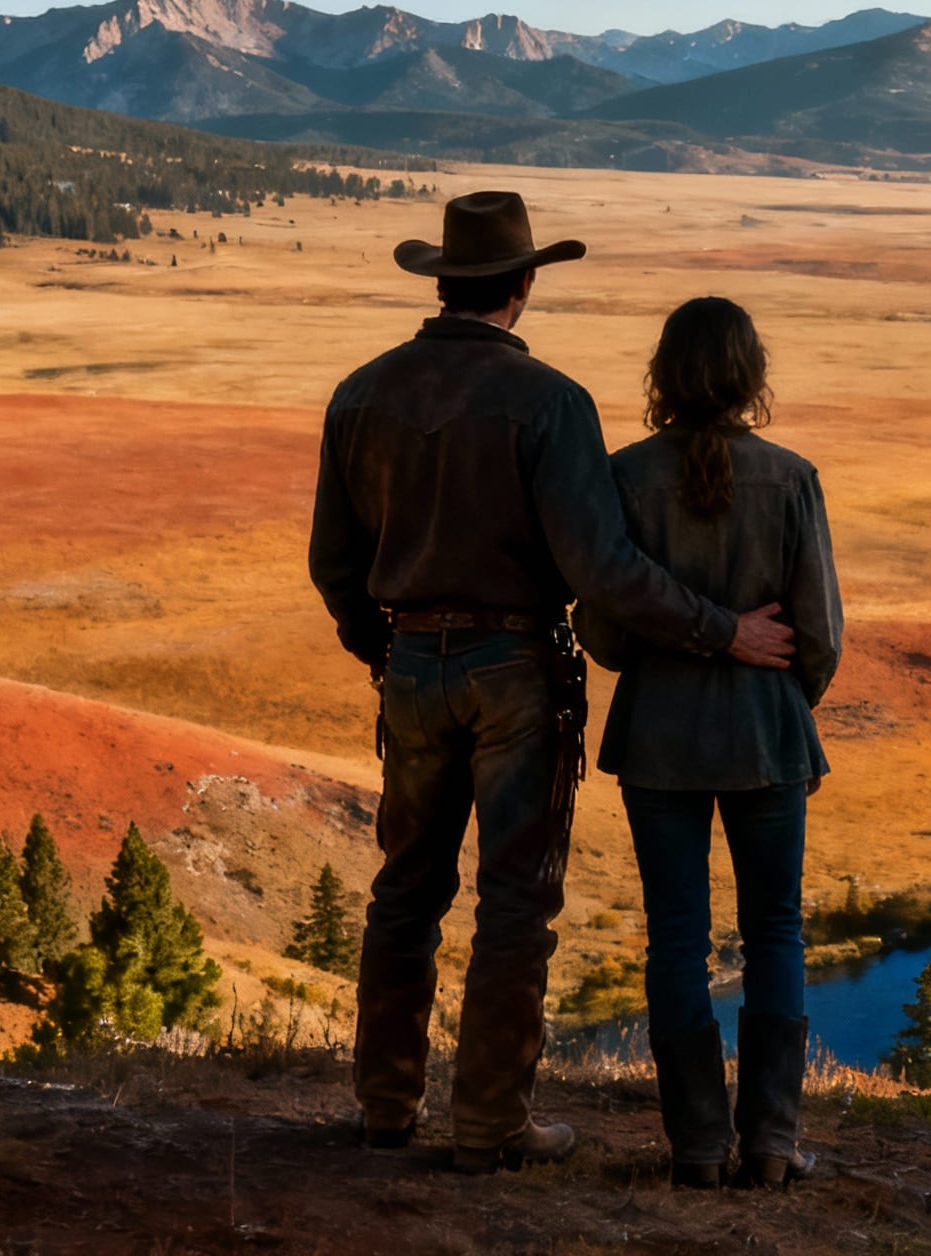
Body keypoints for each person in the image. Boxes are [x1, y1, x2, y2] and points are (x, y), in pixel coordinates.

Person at [308, 192, 796, 1174]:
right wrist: (722, 630)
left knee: (403, 890)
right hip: (517, 669)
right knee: (514, 901)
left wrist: (390, 650)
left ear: (442, 281)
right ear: (523, 284)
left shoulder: (361, 392)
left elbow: (333, 561)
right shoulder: (551, 405)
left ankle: (387, 1106)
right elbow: (603, 573)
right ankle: (490, 1121)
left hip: (409, 664)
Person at [579, 296, 842, 1191]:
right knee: (776, 931)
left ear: (664, 374)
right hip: (768, 737)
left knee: (676, 941)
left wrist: (671, 643)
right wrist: (777, 694)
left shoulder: (623, 478)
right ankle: (770, 1141)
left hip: (658, 739)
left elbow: (606, 635)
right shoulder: (792, 477)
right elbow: (821, 635)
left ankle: (697, 1147)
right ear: (751, 375)